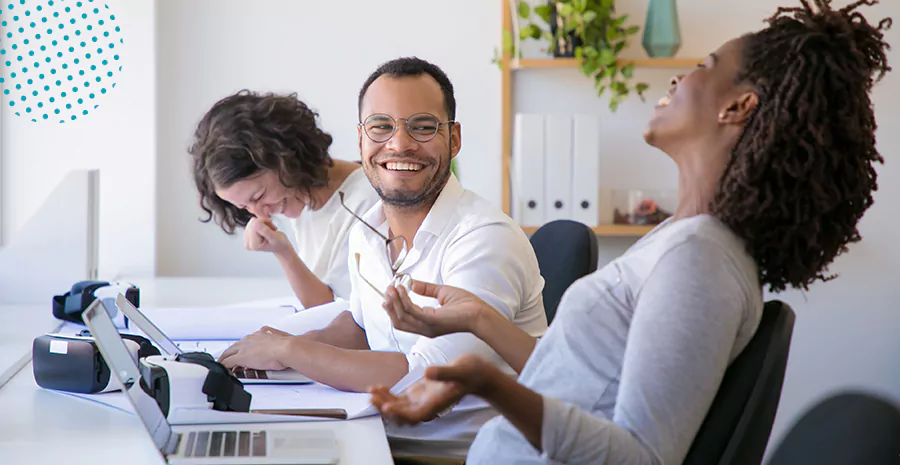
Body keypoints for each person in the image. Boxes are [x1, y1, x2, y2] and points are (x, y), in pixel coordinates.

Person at [369, 1, 892, 463]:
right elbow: (577, 384)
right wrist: (480, 319)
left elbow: (640, 457)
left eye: (704, 67)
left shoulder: (699, 259)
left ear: (737, 107)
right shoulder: (683, 240)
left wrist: (488, 383)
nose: (677, 80)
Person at [217, 58, 548, 460]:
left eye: (423, 126)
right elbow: (360, 323)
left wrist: (293, 352)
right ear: (360, 141)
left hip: (456, 456)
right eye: (381, 126)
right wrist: (275, 351)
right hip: (376, 437)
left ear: (454, 139)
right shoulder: (367, 228)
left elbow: (425, 378)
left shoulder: (484, 239)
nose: (400, 143)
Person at [189, 90, 380, 306]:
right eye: (245, 207)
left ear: (285, 161)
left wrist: (283, 252)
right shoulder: (301, 200)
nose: (261, 213)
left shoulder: (367, 202)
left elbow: (333, 312)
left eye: (259, 196)